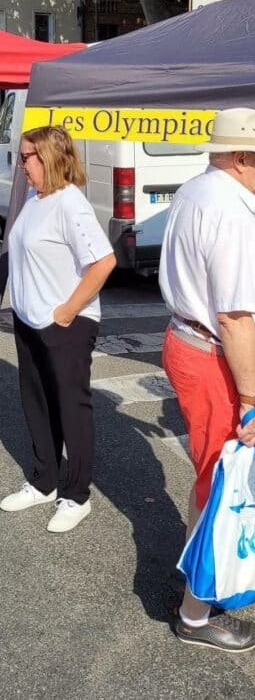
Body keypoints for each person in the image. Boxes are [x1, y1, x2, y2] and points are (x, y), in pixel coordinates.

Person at [159, 107, 255, 653]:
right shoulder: (233, 214)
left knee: (210, 474)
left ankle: (199, 580)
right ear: (241, 158)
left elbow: (216, 270)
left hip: (189, 340)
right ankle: (195, 615)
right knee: (221, 482)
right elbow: (236, 319)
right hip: (214, 353)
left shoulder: (199, 190)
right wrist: (252, 400)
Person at [0, 126, 116, 532]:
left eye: (27, 156)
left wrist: (67, 310)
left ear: (49, 157)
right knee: (36, 402)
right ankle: (43, 481)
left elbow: (104, 262)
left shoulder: (71, 204)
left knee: (71, 407)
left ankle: (75, 495)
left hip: (65, 322)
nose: (21, 164)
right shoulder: (36, 198)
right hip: (29, 319)